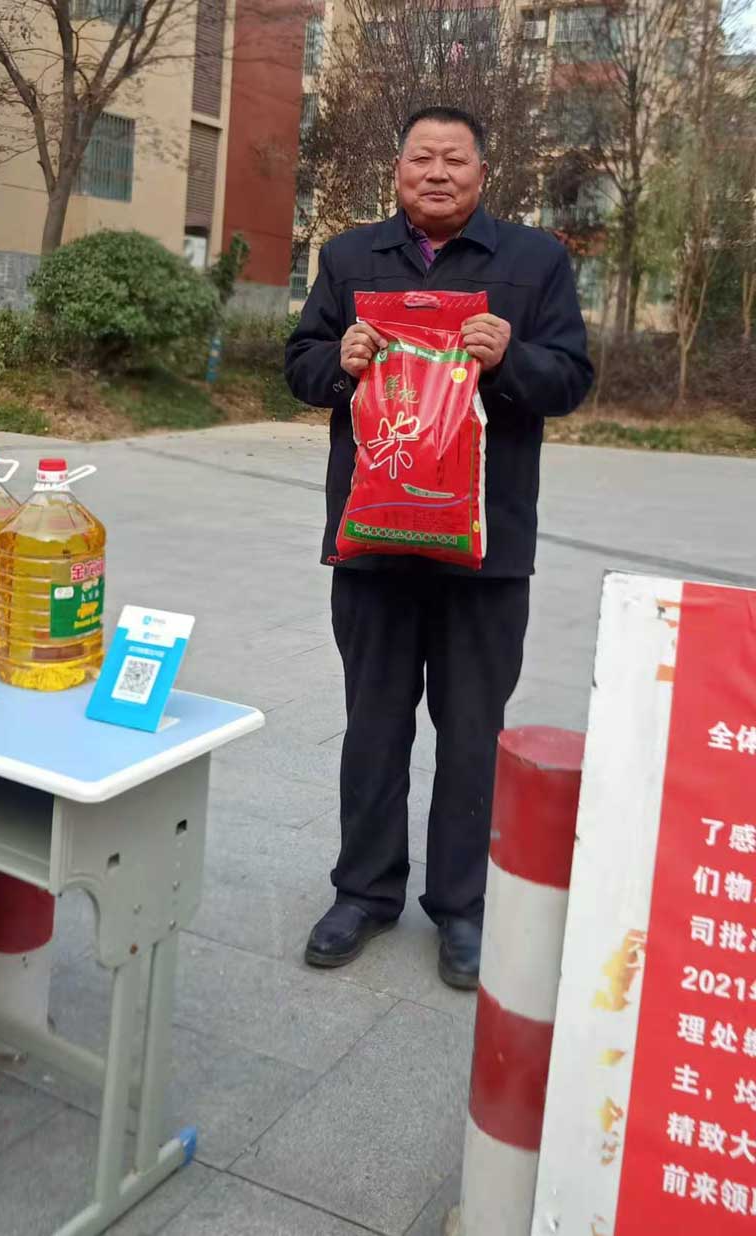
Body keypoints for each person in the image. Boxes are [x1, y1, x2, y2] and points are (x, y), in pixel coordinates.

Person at [285, 106, 593, 989]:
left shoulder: (534, 262)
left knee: (471, 733)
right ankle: (363, 892)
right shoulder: (351, 259)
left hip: (486, 549)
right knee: (374, 725)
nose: (437, 172)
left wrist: (511, 357)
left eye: (455, 159)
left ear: (482, 174)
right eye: (421, 157)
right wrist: (339, 360)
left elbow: (571, 379)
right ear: (398, 171)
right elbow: (301, 365)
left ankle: (462, 906)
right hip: (374, 539)